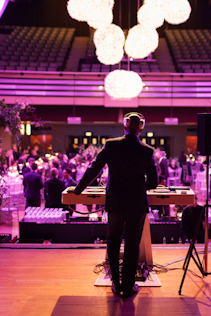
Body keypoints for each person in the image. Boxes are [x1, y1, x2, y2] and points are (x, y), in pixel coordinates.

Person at [73, 112, 158, 299]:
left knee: (113, 240)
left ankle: (115, 282)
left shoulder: (111, 145)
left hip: (116, 201)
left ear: (125, 126)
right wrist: (137, 185)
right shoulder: (147, 151)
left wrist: (78, 190)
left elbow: (93, 169)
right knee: (133, 243)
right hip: (136, 203)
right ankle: (128, 286)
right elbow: (153, 183)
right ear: (141, 127)